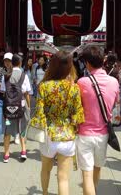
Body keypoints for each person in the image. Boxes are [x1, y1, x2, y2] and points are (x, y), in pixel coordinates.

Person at [29, 51, 84, 195]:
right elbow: (78, 116)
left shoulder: (44, 86)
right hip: (67, 136)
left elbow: (39, 114)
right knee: (63, 178)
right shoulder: (74, 87)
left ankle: (45, 192)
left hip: (48, 136)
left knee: (45, 170)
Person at [76, 46, 119, 195]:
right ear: (104, 60)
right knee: (97, 169)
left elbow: (77, 107)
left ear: (87, 63)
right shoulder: (114, 82)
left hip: (85, 133)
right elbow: (113, 104)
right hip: (103, 134)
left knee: (86, 175)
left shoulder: (81, 82)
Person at [1, 54, 32, 163]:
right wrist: (29, 106)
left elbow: (3, 91)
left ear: (11, 62)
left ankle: (6, 154)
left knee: (7, 129)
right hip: (21, 107)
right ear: (20, 63)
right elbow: (27, 93)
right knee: (22, 128)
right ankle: (23, 151)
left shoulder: (5, 75)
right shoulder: (24, 75)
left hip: (9, 108)